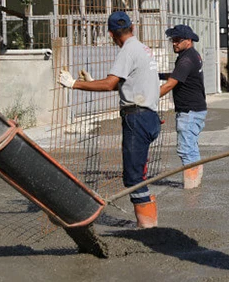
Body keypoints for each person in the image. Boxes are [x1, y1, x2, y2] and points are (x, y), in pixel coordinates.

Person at [58, 11, 161, 228]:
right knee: (139, 172)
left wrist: (73, 84)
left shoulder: (127, 51)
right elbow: (120, 83)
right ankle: (147, 220)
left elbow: (109, 84)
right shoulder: (143, 48)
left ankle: (148, 227)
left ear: (111, 34)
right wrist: (94, 81)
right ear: (132, 28)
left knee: (133, 178)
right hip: (150, 116)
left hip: (137, 118)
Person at [160, 24, 207, 189]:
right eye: (173, 40)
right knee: (191, 148)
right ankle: (195, 183)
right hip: (195, 110)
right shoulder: (191, 56)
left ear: (189, 40)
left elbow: (170, 84)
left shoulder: (186, 59)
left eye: (178, 40)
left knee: (186, 150)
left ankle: (191, 189)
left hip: (189, 112)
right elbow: (177, 74)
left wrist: (149, 99)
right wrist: (157, 75)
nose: (174, 43)